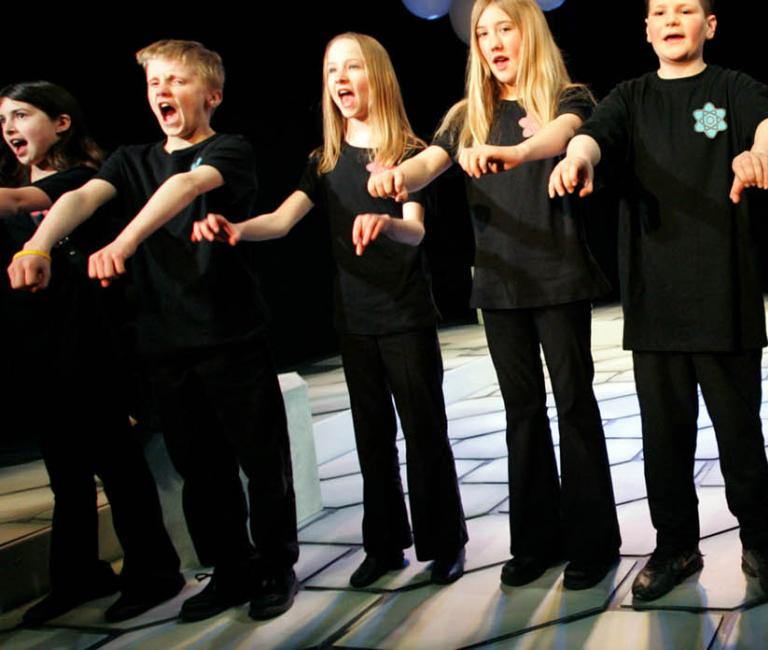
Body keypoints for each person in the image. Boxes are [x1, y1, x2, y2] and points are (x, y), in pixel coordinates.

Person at [7, 40, 300, 622]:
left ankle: (275, 566)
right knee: (200, 470)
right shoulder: (127, 158)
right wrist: (37, 244)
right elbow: (85, 196)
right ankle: (232, 569)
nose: (161, 91)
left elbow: (185, 188)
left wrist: (124, 241)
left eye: (176, 81)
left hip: (230, 335)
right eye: (153, 83)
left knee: (262, 462)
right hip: (164, 342)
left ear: (211, 95)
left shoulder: (229, 147)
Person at [192, 33, 468, 588]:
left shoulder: (411, 154)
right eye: (331, 70)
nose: (341, 79)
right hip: (355, 318)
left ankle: (443, 543)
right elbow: (281, 220)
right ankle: (385, 545)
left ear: (378, 77)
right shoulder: (323, 161)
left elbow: (414, 232)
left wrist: (386, 222)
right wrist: (236, 229)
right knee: (372, 437)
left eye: (353, 67)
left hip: (405, 314)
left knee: (424, 431)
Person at [549, 0, 768, 602]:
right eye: (659, 10)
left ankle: (762, 544)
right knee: (665, 442)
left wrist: (760, 153)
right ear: (645, 28)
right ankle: (675, 548)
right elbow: (592, 139)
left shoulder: (729, 88)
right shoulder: (630, 97)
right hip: (655, 305)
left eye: (684, 9)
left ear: (709, 25)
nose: (670, 19)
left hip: (726, 297)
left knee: (742, 438)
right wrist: (575, 158)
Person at [368, 0, 621, 591]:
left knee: (574, 405)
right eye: (483, 33)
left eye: (505, 27)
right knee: (522, 413)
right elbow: (431, 162)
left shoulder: (569, 96)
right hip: (499, 282)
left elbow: (562, 137)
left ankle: (593, 542)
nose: (493, 41)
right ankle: (537, 540)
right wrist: (396, 179)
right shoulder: (467, 114)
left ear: (528, 31)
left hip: (557, 275)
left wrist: (512, 153)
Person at [1, 81, 184, 625]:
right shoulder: (14, 185)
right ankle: (78, 575)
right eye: (3, 119)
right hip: (38, 347)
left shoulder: (81, 179)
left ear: (61, 122)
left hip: (92, 343)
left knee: (117, 463)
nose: (9, 127)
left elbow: (19, 202)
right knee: (66, 472)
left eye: (21, 114)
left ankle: (155, 571)